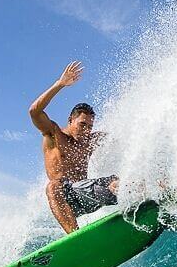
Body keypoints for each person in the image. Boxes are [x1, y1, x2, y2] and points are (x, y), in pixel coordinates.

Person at [29, 61, 118, 233]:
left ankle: (155, 198)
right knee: (53, 187)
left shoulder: (91, 141)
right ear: (70, 120)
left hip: (88, 195)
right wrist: (59, 84)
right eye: (82, 125)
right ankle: (76, 237)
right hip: (67, 201)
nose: (86, 130)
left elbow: (128, 141)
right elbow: (34, 111)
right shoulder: (54, 134)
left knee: (118, 182)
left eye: (90, 127)